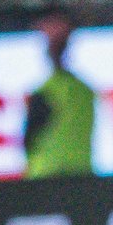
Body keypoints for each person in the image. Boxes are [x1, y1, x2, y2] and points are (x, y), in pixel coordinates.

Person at [22, 14, 96, 178]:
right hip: (83, 174)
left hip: (47, 175)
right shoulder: (85, 91)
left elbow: (28, 140)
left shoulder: (46, 91)